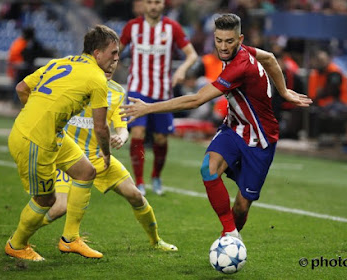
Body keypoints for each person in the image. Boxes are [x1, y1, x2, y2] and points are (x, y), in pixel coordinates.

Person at [121, 14, 312, 239]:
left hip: (260, 138)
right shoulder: (243, 51)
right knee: (208, 169)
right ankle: (229, 234)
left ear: (239, 39)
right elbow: (269, 58)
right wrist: (284, 91)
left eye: (229, 41)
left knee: (241, 207)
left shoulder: (239, 66)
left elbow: (196, 100)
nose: (223, 46)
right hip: (233, 128)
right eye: (219, 40)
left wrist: (148, 108)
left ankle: (231, 234)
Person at [5, 25, 119, 261]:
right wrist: (106, 155)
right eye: (113, 53)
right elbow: (101, 126)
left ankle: (70, 240)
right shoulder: (97, 78)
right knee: (46, 199)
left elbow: (22, 87)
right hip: (35, 139)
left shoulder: (63, 61)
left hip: (49, 133)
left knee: (86, 172)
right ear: (97, 53)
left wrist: (38, 113)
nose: (117, 58)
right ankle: (16, 245)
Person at [43, 61, 177, 252]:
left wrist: (121, 138)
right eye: (109, 58)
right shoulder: (76, 83)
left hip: (98, 157)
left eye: (116, 60)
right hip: (67, 156)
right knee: (59, 207)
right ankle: (21, 238)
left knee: (136, 195)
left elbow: (122, 128)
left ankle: (156, 241)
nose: (112, 64)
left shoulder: (117, 92)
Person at [119, 0, 198, 196]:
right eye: (150, 2)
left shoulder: (172, 27)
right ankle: (139, 181)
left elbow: (192, 55)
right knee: (138, 133)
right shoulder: (132, 27)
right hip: (137, 89)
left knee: (161, 139)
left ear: (163, 5)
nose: (154, 6)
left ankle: (156, 176)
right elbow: (116, 50)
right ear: (143, 5)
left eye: (158, 2)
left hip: (162, 93)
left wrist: (181, 69)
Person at [308, 49, 347, 138]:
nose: (319, 63)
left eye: (321, 60)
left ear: (328, 59)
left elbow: (332, 92)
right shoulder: (316, 73)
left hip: (341, 102)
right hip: (321, 102)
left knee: (325, 111)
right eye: (317, 60)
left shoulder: (334, 72)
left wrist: (320, 93)